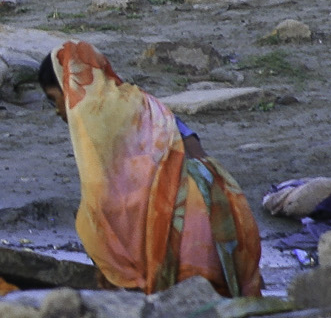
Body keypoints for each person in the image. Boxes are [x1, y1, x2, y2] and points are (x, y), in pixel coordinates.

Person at [39, 44, 261, 297]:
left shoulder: (93, 115)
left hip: (186, 218)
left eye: (53, 99)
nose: (58, 110)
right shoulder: (138, 99)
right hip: (224, 204)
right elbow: (190, 146)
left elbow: (104, 201)